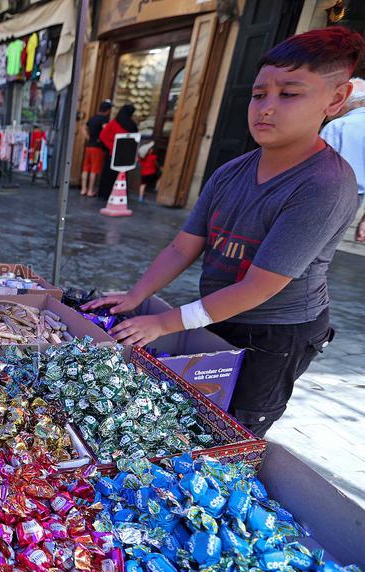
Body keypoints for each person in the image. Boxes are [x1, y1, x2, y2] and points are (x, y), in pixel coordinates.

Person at [85, 27, 363, 438]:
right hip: (218, 313)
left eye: (289, 94)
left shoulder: (324, 184)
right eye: (258, 94)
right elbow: (183, 247)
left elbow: (259, 287)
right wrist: (136, 296)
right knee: (197, 411)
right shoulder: (230, 172)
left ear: (335, 99)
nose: (266, 108)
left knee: (238, 428)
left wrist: (163, 324)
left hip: (276, 333)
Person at [320, 77, 365, 243]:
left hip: (327, 195)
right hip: (355, 199)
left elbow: (318, 168)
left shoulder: (338, 126)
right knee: (326, 250)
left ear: (347, 101)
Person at [97, 104, 137, 201]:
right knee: (121, 176)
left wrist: (112, 146)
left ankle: (105, 194)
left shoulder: (114, 122)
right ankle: (119, 196)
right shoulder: (132, 126)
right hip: (125, 156)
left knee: (108, 175)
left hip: (112, 154)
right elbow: (134, 141)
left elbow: (102, 136)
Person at [81, 100, 113, 196]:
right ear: (107, 110)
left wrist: (88, 137)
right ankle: (90, 190)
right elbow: (105, 130)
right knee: (94, 169)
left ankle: (83, 189)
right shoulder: (104, 119)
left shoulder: (93, 118)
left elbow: (83, 127)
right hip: (97, 147)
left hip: (89, 145)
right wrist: (101, 139)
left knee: (86, 168)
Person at [138, 137, 160, 201]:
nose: (152, 150)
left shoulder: (141, 158)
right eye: (151, 149)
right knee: (160, 178)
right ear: (149, 151)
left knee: (143, 185)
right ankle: (156, 189)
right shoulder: (153, 157)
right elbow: (156, 164)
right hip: (151, 173)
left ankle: (140, 197)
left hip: (144, 173)